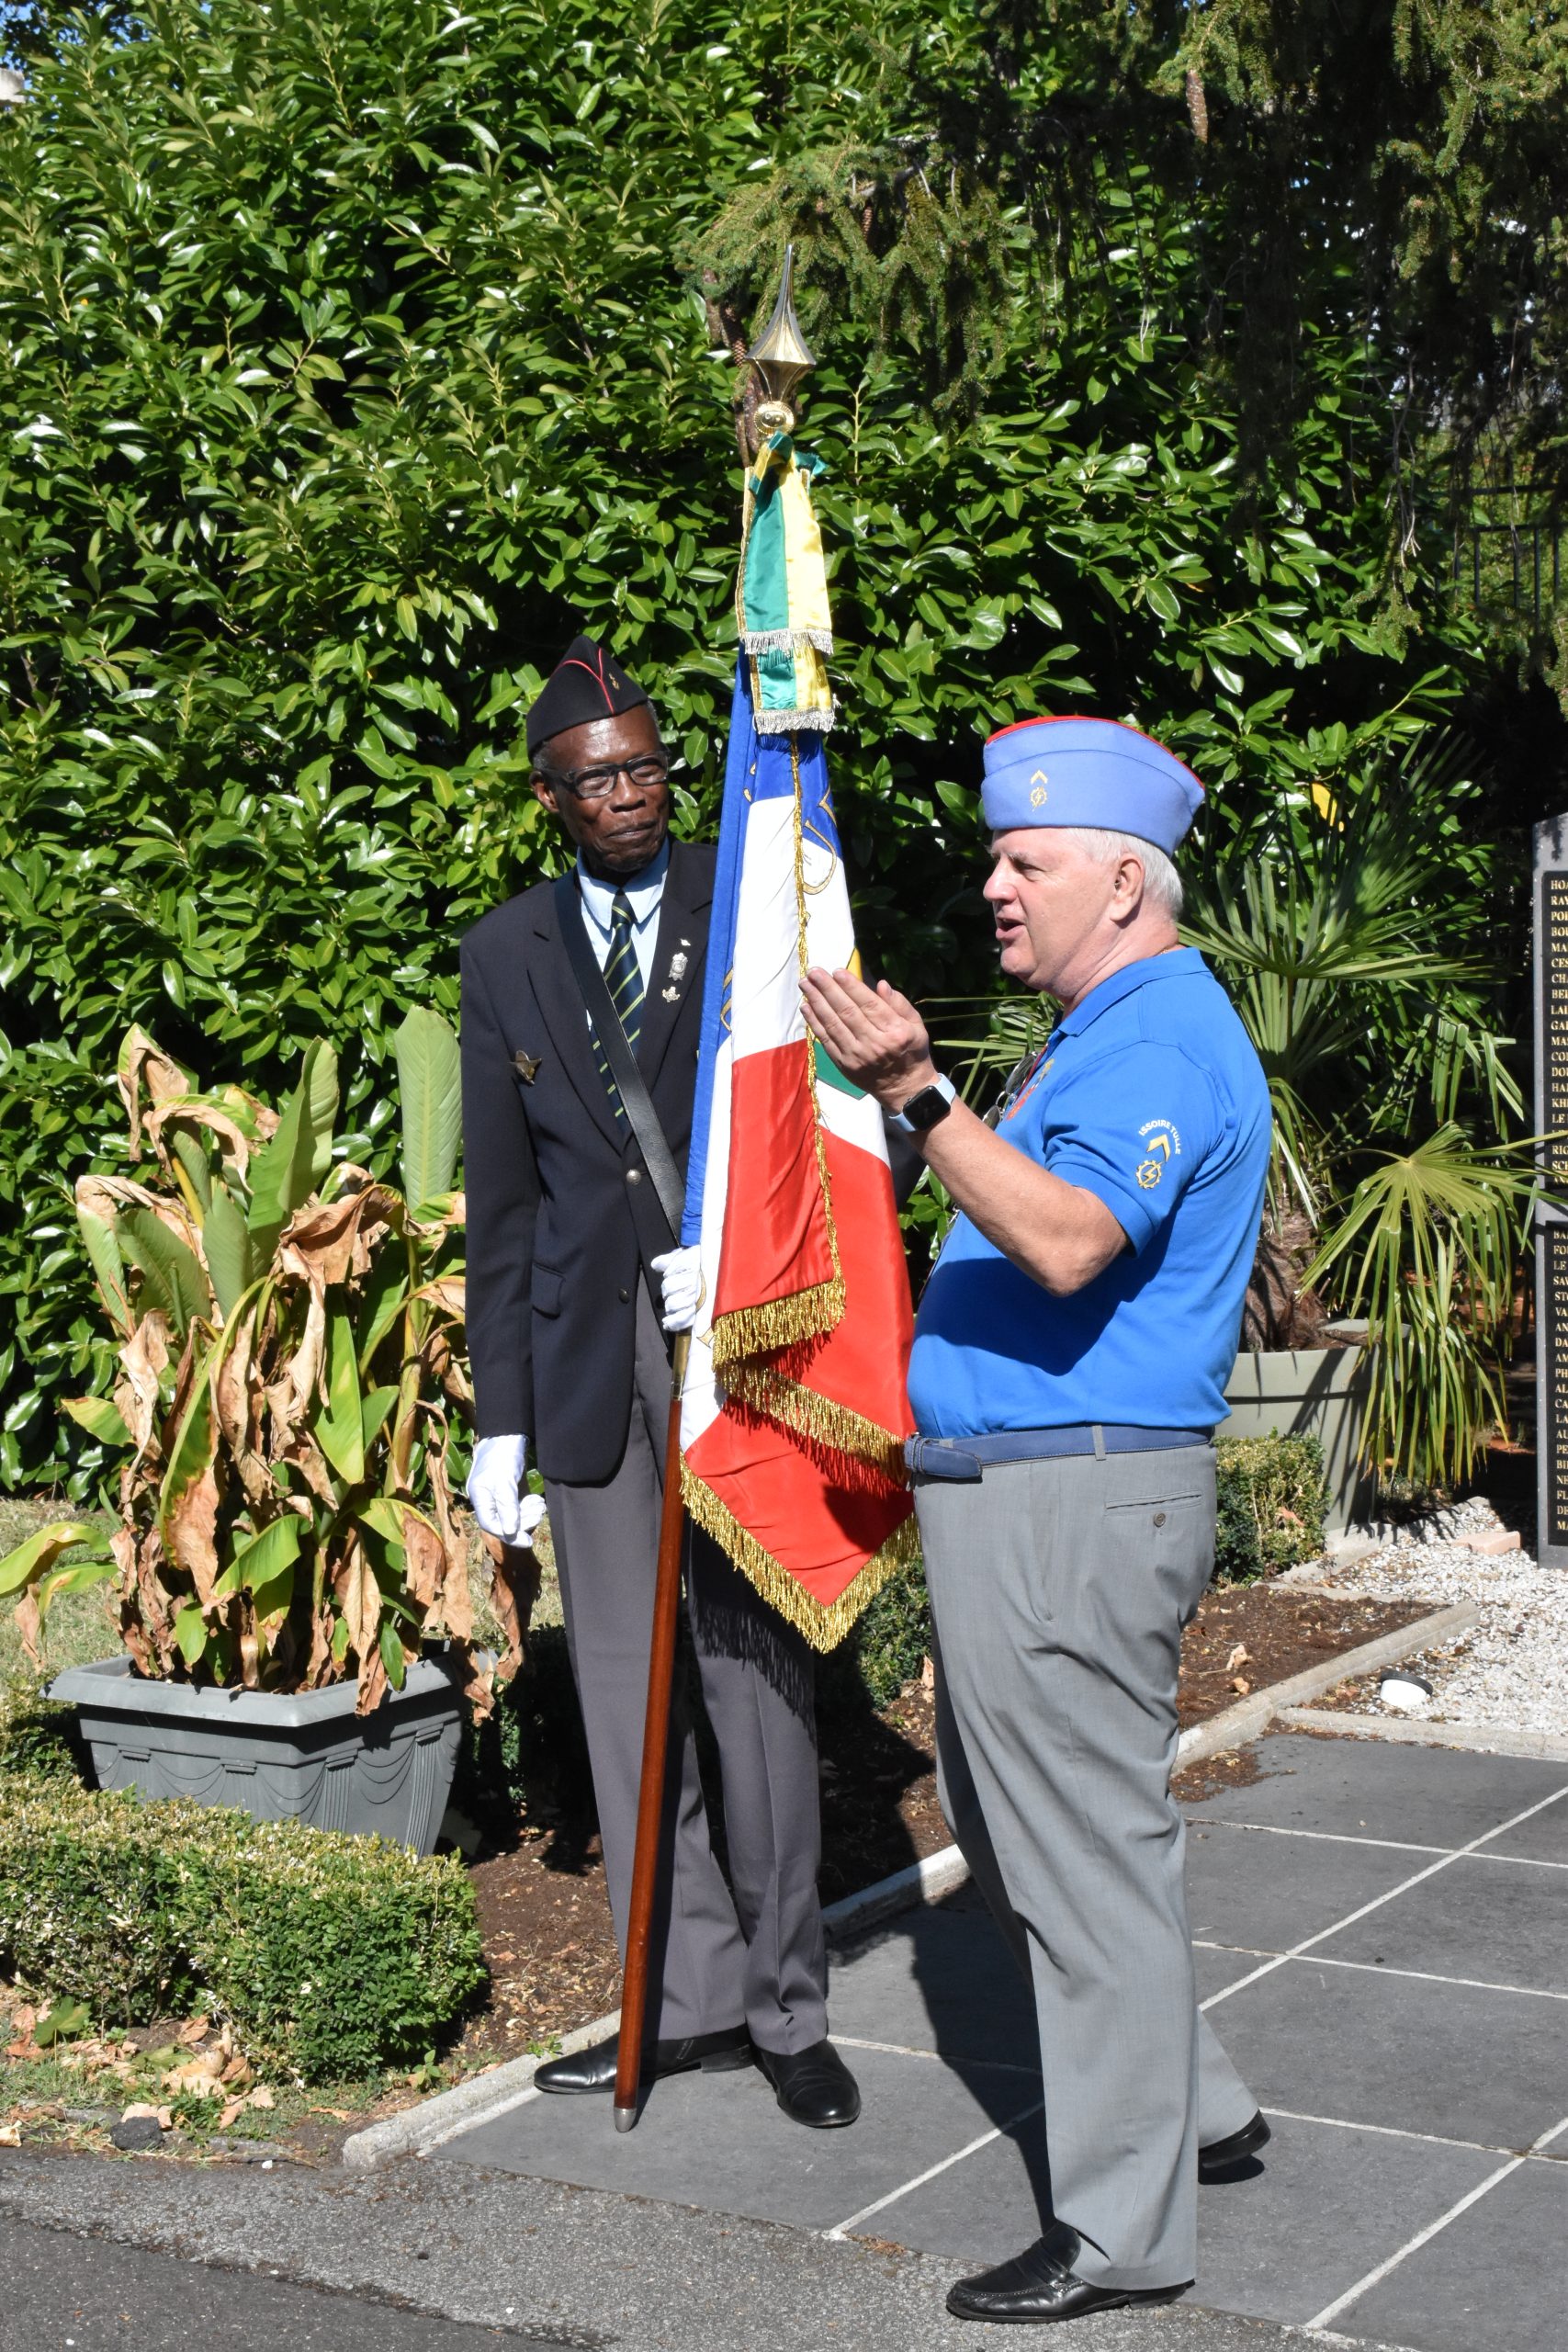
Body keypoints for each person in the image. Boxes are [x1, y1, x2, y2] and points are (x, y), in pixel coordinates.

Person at [800, 715, 1272, 2323]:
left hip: (1075, 1494)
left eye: (1029, 861)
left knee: (1077, 1859)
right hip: (1037, 1490)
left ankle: (1126, 2233)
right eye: (999, 855)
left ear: (1125, 882)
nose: (994, 885)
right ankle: (1198, 2112)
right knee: (1041, 1846)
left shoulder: (1150, 1038)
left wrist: (918, 1093)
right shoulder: (1109, 1023)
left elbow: (1069, 1241)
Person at [459, 633, 860, 2129]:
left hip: (729, 1336)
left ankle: (788, 2006)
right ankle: (675, 1996)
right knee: (628, 1691)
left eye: (645, 766)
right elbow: (503, 1208)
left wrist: (744, 1270)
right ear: (552, 798)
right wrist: (500, 1417)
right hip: (581, 1355)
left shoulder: (752, 890)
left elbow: (811, 1117)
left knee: (755, 1682)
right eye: (596, 778)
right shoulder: (505, 951)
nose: (629, 793)